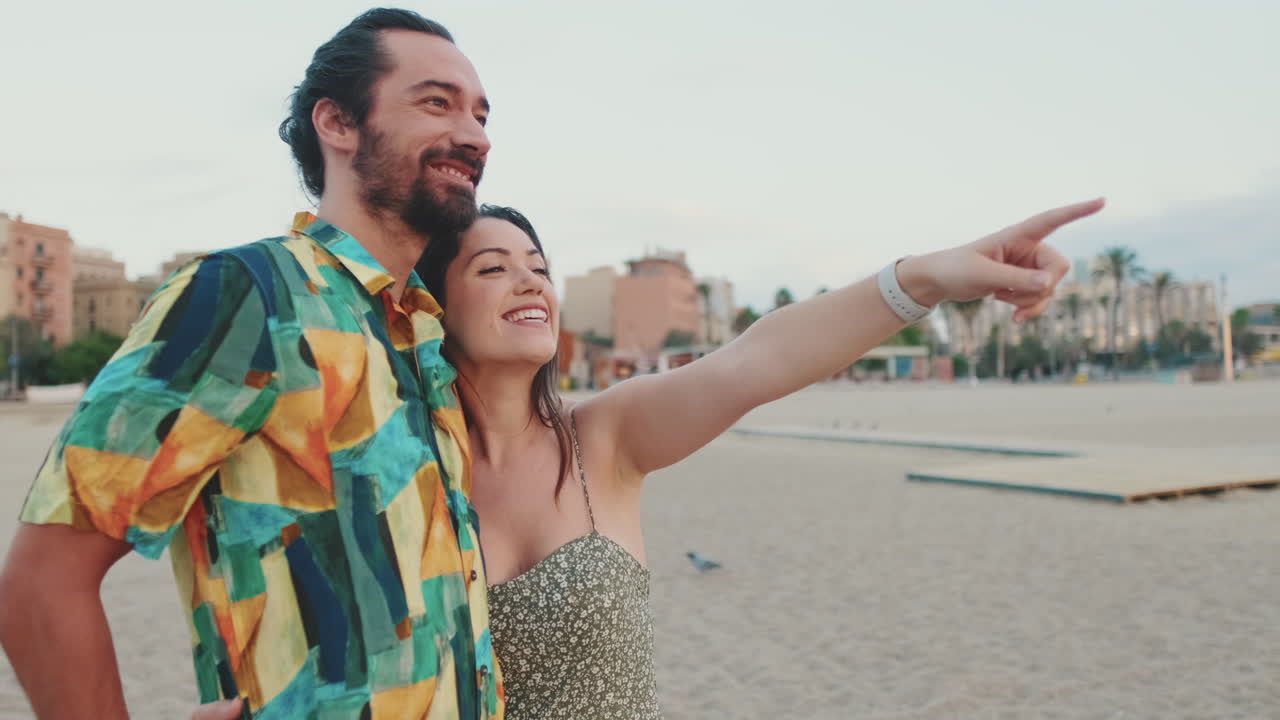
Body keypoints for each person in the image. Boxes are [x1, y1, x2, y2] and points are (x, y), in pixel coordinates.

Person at [414, 198, 1104, 718]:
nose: (531, 283)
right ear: (433, 304)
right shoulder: (407, 471)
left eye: (539, 268)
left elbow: (756, 360)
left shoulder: (607, 437)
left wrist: (925, 279)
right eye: (494, 268)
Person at [0, 9, 505, 719]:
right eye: (436, 102)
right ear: (336, 122)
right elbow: (42, 579)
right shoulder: (246, 296)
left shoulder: (420, 332)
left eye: (482, 114)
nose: (474, 135)